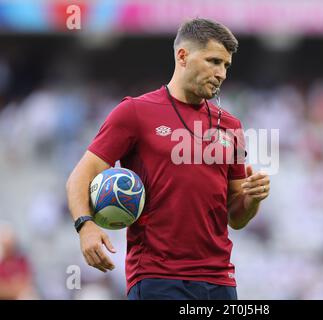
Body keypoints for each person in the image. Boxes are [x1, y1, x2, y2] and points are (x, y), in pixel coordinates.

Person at [66, 18, 270, 300]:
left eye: (225, 65)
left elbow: (236, 217)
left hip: (220, 279)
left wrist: (253, 199)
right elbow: (80, 175)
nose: (221, 73)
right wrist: (85, 225)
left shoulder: (231, 126)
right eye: (213, 61)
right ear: (183, 56)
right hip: (158, 277)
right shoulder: (134, 112)